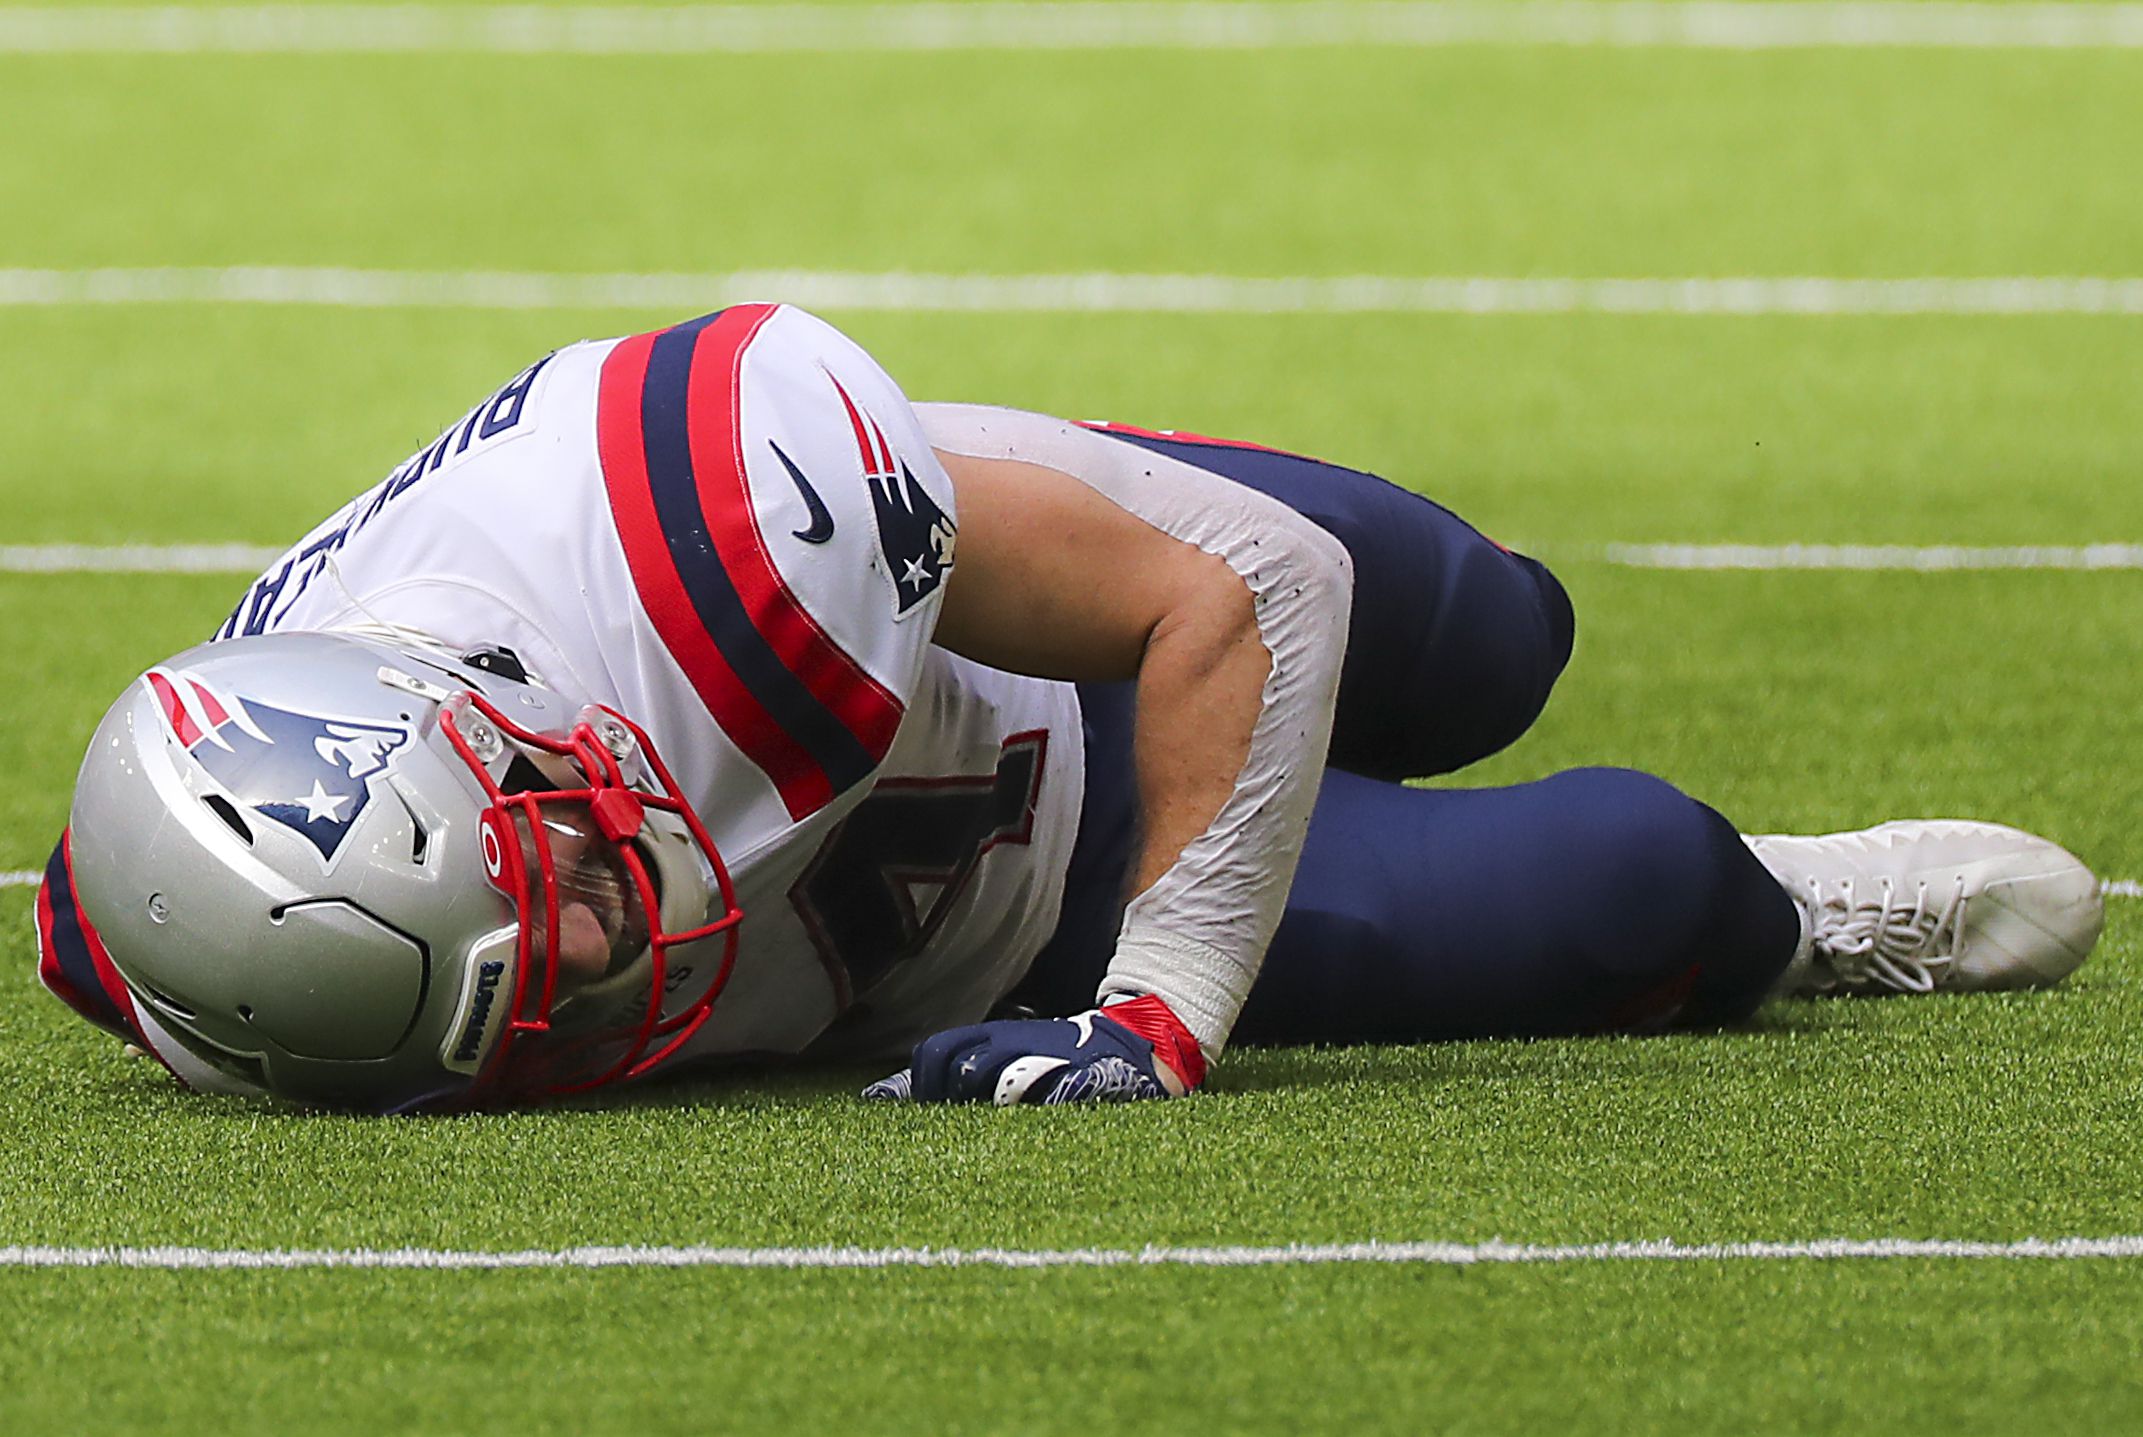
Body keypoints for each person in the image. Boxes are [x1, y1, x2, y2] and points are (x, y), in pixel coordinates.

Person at [32, 305, 2107, 1112]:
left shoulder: (707, 531)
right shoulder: (201, 943)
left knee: (1486, 626)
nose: (604, 951)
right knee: (1650, 872)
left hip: (1069, 634)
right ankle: (1803, 904)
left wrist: (1158, 1008)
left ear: (488, 713)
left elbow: (1244, 595)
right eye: (525, 993)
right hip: (1002, 896)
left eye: (561, 870)